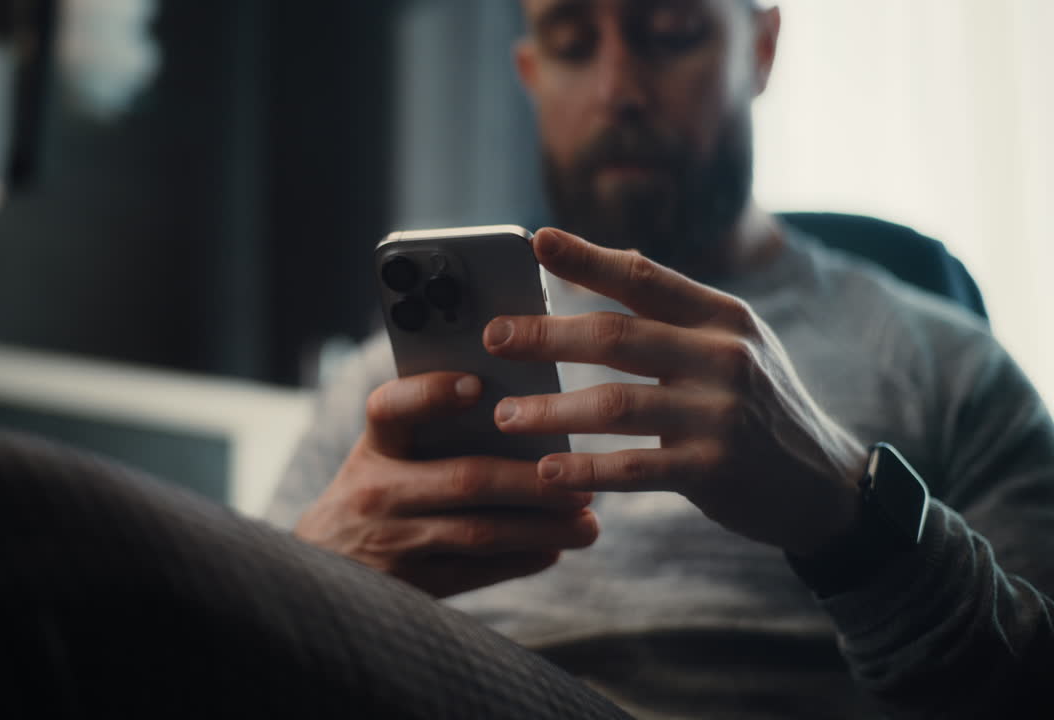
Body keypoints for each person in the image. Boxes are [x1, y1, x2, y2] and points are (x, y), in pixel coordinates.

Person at [266, 0, 1054, 717]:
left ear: (764, 47)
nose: (619, 89)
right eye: (573, 44)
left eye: (672, 32)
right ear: (530, 74)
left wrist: (852, 514)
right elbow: (227, 660)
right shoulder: (381, 392)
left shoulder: (954, 368)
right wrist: (312, 582)